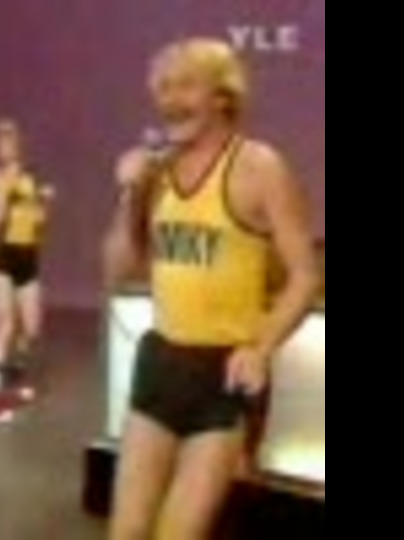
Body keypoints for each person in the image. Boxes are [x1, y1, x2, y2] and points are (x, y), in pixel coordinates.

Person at [104, 38, 321, 539]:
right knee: (126, 532)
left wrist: (261, 347)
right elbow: (116, 271)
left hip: (223, 376)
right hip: (161, 364)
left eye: (185, 86)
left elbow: (306, 276)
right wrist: (129, 192)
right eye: (162, 88)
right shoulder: (156, 173)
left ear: (223, 96)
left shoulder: (259, 167)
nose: (169, 99)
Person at [0, 119, 55, 424]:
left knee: (32, 327)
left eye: (10, 140)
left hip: (28, 255)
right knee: (5, 326)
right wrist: (8, 192)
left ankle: (14, 374)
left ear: (18, 144)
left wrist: (44, 204)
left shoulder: (30, 178)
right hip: (2, 256)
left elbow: (40, 223)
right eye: (0, 142)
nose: (5, 146)